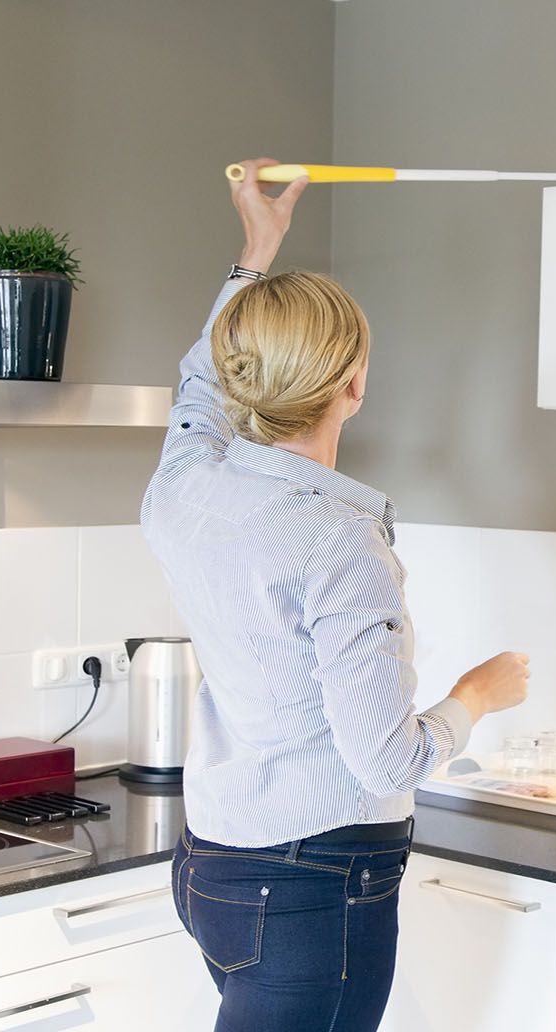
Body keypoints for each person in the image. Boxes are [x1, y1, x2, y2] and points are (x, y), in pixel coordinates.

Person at [142, 158, 530, 1032]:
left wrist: (256, 254)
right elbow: (386, 762)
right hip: (314, 881)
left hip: (214, 870)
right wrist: (475, 697)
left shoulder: (183, 487)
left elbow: (198, 383)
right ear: (353, 388)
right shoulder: (338, 543)